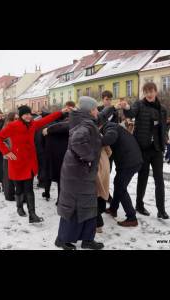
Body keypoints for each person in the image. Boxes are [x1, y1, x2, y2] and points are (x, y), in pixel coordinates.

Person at [0, 105, 70, 223]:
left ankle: (32, 214)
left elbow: (46, 119)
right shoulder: (13, 126)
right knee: (19, 189)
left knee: (29, 189)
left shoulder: (33, 124)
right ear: (21, 116)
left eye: (29, 114)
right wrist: (6, 152)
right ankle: (19, 207)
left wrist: (61, 112)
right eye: (25, 114)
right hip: (17, 162)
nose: (28, 116)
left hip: (29, 162)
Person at [55, 96, 104, 250]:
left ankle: (88, 239)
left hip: (81, 173)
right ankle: (62, 239)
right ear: (89, 110)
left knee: (88, 205)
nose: (98, 111)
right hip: (77, 173)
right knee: (74, 207)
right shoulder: (86, 124)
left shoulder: (84, 120)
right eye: (96, 108)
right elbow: (77, 141)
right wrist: (89, 157)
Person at [119, 82, 169, 219]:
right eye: (146, 92)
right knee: (143, 178)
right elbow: (130, 112)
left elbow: (163, 127)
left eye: (151, 91)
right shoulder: (139, 105)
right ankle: (139, 205)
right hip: (143, 148)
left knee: (160, 180)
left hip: (157, 149)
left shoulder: (162, 109)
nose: (149, 94)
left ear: (156, 91)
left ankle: (161, 210)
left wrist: (164, 139)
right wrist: (126, 107)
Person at [104, 122, 143, 226]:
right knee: (118, 183)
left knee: (120, 187)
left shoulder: (110, 128)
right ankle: (113, 209)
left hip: (129, 163)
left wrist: (98, 141)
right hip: (131, 161)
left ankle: (131, 218)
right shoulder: (115, 127)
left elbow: (109, 139)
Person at [1, 112, 16, 201]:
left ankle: (20, 195)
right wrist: (8, 151)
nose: (16, 120)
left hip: (18, 155)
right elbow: (1, 141)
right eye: (14, 119)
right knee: (8, 176)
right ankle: (9, 195)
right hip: (8, 156)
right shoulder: (6, 128)